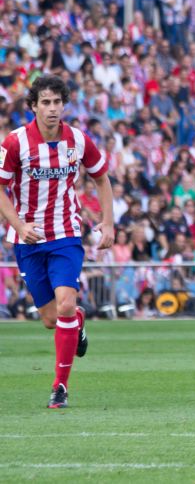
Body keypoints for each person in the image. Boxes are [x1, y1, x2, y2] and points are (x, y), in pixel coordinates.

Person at [0, 75, 115, 408]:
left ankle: (59, 387)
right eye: (45, 102)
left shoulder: (78, 140)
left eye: (57, 102)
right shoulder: (15, 143)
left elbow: (101, 179)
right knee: (52, 318)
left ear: (64, 105)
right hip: (28, 240)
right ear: (34, 106)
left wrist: (107, 222)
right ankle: (76, 323)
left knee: (64, 303)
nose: (52, 109)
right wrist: (20, 225)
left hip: (65, 234)